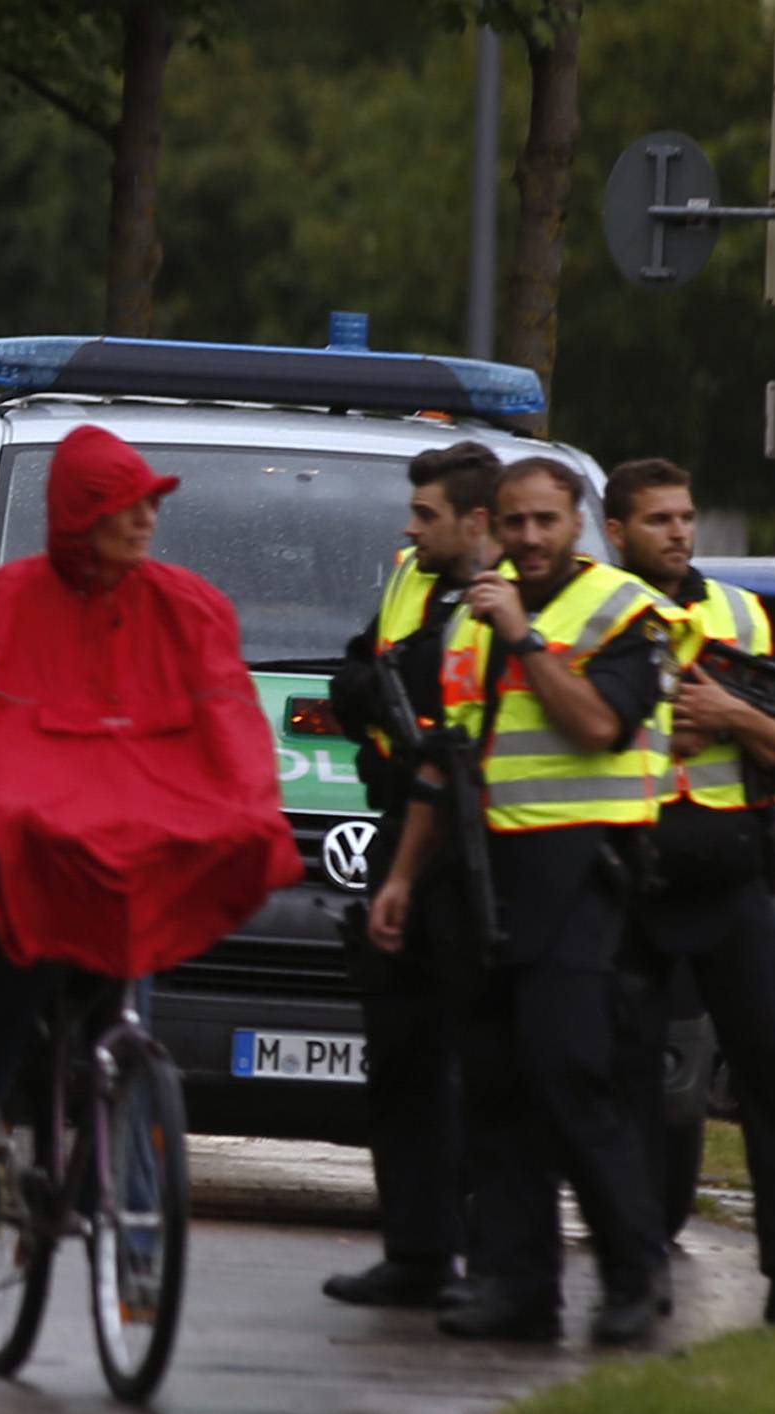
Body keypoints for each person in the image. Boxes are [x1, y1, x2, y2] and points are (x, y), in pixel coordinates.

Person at [0, 424, 299, 1148]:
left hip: (125, 835)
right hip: (37, 830)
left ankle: (94, 1151)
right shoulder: (1, 606)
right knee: (26, 945)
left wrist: (250, 806)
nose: (147, 520)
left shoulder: (188, 608)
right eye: (126, 505)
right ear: (83, 516)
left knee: (106, 976)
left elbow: (230, 718)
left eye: (150, 504)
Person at [369, 456, 676, 1346]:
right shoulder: (472, 622)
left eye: (547, 521)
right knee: (494, 1086)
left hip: (580, 872)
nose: (530, 539)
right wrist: (399, 879)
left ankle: (631, 1271)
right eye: (515, 524)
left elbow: (595, 726)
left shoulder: (622, 612)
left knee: (570, 1075)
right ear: (494, 528)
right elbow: (444, 758)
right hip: (479, 869)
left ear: (578, 522)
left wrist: (529, 641)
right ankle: (515, 1284)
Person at [603, 457, 775, 1325]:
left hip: (729, 876)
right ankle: (633, 1279)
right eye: (658, 519)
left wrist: (736, 717)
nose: (678, 532)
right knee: (623, 1087)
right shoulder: (591, 610)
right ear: (616, 533)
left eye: (686, 516)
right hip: (625, 879)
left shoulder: (740, 614)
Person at [321, 440, 504, 1310]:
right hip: (403, 827)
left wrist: (388, 684)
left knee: (484, 1061)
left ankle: (490, 1259)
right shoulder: (408, 578)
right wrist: (374, 685)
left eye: (426, 514)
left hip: (479, 848)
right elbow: (357, 665)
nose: (410, 527)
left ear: (475, 522)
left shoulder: (503, 602)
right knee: (399, 1056)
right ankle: (417, 1251)